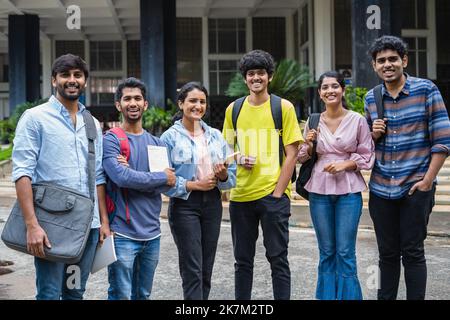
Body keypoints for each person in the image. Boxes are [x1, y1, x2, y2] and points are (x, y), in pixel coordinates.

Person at [12, 54, 110, 300]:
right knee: (49, 293)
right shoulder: (35, 118)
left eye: (78, 75)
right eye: (65, 74)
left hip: (87, 227)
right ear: (54, 80)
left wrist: (102, 222)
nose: (72, 80)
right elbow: (22, 172)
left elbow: (97, 175)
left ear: (85, 81)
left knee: (75, 291)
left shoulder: (92, 123)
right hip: (50, 226)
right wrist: (32, 225)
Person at [365, 35, 450, 300]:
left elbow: (442, 139)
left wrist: (427, 181)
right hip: (381, 190)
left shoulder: (426, 90)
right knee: (386, 255)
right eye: (381, 61)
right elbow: (365, 147)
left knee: (413, 253)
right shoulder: (371, 97)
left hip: (415, 187)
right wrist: (373, 135)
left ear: (404, 60)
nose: (387, 64)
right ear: (374, 66)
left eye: (392, 59)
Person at [222, 50, 302, 300]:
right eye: (251, 74)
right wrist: (238, 158)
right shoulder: (233, 110)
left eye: (261, 73)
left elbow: (292, 154)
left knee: (278, 259)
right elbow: (225, 151)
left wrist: (278, 193)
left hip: (273, 195)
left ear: (269, 76)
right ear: (245, 78)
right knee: (242, 261)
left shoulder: (283, 107)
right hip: (241, 196)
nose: (256, 78)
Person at [298, 71, 375, 300]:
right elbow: (302, 156)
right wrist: (310, 144)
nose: (330, 90)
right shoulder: (313, 121)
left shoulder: (357, 120)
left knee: (345, 252)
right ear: (320, 93)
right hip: (319, 191)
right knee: (327, 252)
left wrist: (346, 164)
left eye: (334, 86)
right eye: (325, 87)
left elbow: (368, 154)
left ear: (342, 89)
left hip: (348, 191)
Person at [160, 82, 236, 300]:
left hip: (212, 204)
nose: (198, 106)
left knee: (206, 267)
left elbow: (231, 177)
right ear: (181, 103)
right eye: (192, 101)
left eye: (202, 102)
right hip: (185, 206)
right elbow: (164, 181)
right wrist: (194, 185)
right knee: (192, 268)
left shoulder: (215, 135)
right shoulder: (169, 138)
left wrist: (222, 175)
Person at [103, 77, 176, 300]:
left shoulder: (157, 143)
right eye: (127, 99)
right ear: (118, 105)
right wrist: (157, 177)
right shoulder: (111, 140)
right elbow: (121, 178)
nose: (132, 103)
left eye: (137, 98)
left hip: (152, 233)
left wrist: (138, 177)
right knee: (120, 295)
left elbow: (167, 184)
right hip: (122, 232)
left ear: (145, 104)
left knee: (143, 295)